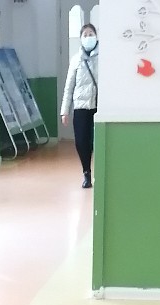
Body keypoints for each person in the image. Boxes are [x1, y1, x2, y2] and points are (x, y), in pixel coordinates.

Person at [61, 23, 99, 189]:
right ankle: (86, 172)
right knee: (81, 141)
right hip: (81, 106)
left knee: (97, 141)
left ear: (96, 36)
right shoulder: (76, 60)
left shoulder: (104, 57)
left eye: (91, 34)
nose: (88, 37)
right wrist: (65, 111)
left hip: (99, 105)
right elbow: (69, 87)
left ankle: (100, 172)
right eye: (85, 35)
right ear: (81, 38)